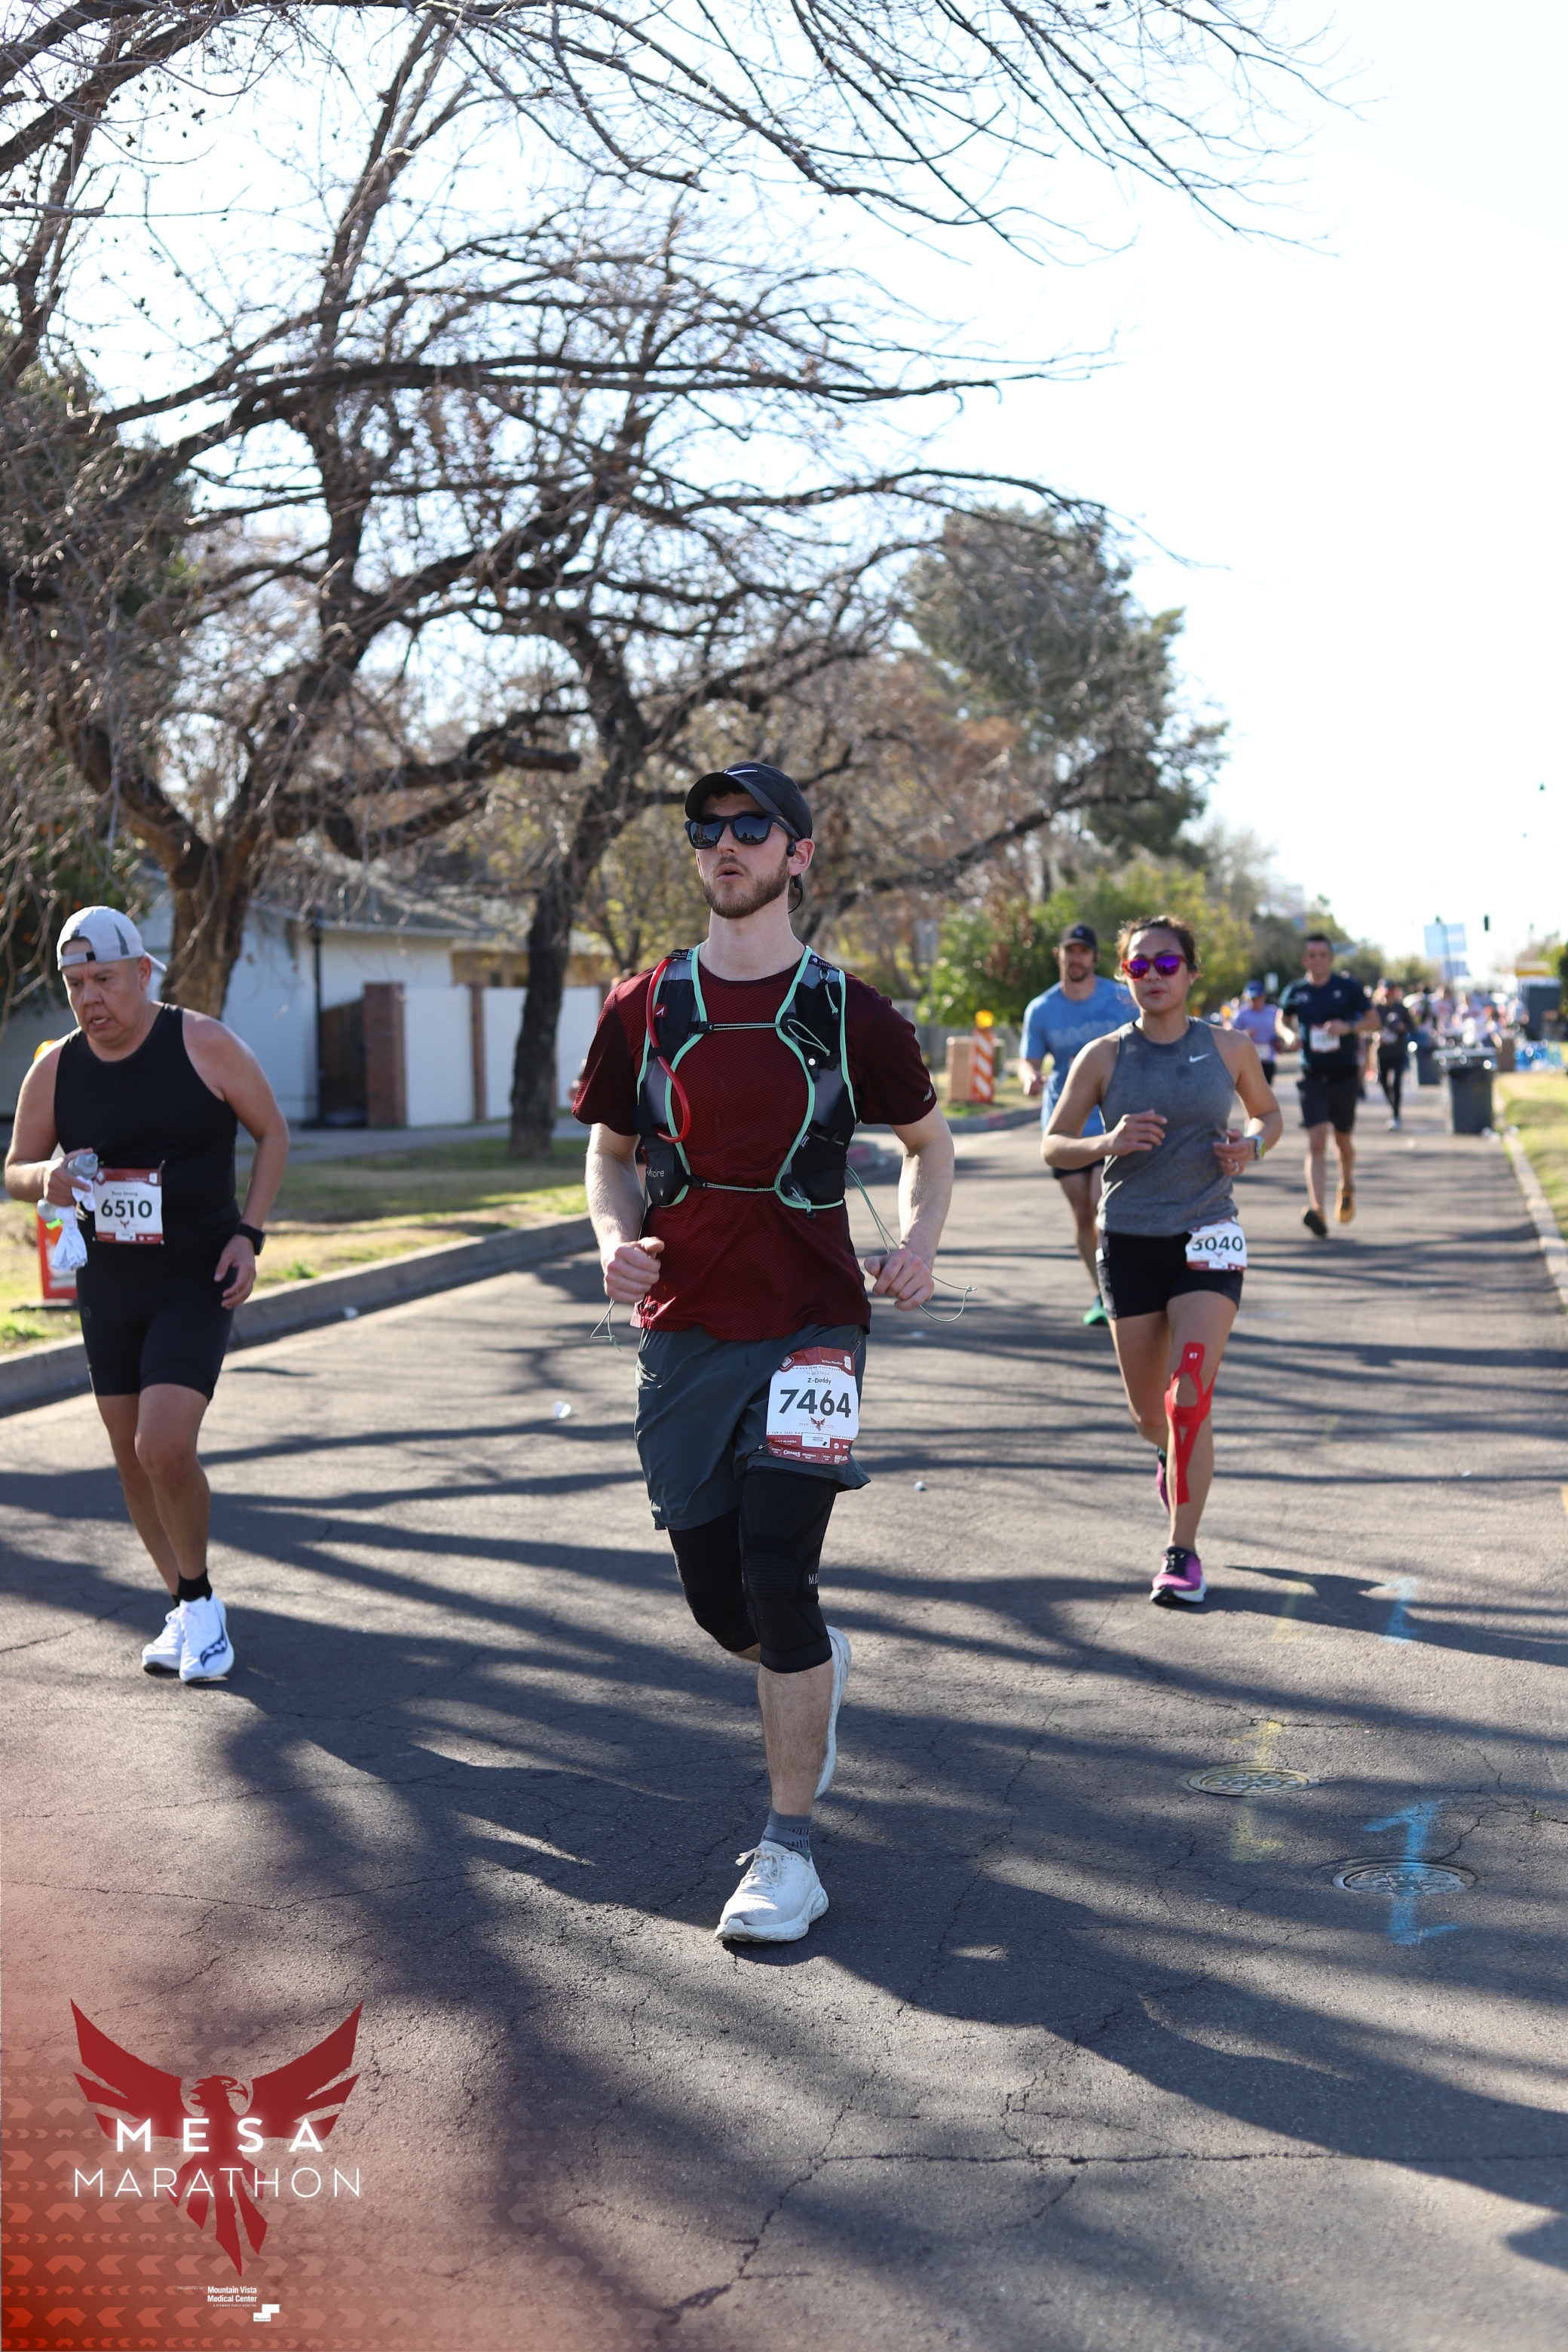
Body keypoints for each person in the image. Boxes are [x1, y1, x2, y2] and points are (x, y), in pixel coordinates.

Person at [574, 761, 954, 1945]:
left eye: (750, 826)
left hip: (814, 1325)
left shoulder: (851, 1012)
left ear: (799, 853)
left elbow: (931, 1146)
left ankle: (789, 1851)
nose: (724, 844)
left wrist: (919, 1246)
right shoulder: (643, 1004)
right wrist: (613, 1241)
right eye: (707, 829)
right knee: (718, 1598)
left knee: (780, 1571)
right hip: (686, 1327)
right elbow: (609, 1154)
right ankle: (810, 1669)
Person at [4, 908, 289, 1682]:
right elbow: (15, 1167)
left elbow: (273, 1132)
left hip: (196, 1277)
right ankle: (189, 1607)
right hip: (109, 1284)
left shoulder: (202, 1043)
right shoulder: (55, 1070)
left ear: (141, 972)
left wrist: (249, 1234)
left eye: (102, 978)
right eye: (74, 984)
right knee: (131, 1463)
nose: (89, 998)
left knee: (161, 1445)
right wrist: (45, 1177)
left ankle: (200, 1608)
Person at [1043, 914, 1282, 1606]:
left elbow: (1269, 1115)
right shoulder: (1104, 1056)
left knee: (1189, 1398)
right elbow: (1054, 1143)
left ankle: (1182, 1551)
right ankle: (1166, 1453)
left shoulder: (1230, 1047)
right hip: (1130, 1241)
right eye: (1139, 966)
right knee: (1152, 1415)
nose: (1153, 976)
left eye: (1167, 963)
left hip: (1209, 1234)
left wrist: (1252, 1146)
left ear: (1191, 972)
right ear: (1124, 976)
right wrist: (1107, 1142)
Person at [1020, 923, 1132, 1327]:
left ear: (1095, 958)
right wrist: (1029, 1077)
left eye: (1084, 951)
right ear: (1060, 956)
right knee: (1084, 1213)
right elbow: (1030, 1060)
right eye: (1071, 951)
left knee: (1105, 1208)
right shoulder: (1042, 1008)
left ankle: (1125, 1286)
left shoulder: (1121, 998)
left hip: (1112, 1120)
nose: (1077, 958)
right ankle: (1103, 1293)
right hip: (1065, 1123)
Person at [1277, 935, 1377, 1238]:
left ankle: (1346, 1185)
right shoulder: (1297, 991)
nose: (1317, 960)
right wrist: (1288, 1036)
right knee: (1317, 1141)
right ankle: (1317, 1209)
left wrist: (1349, 1027)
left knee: (1342, 1142)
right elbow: (1281, 1021)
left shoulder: (1348, 988)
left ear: (1331, 958)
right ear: (1304, 960)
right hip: (1312, 1077)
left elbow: (1374, 1020)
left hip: (1344, 1076)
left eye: (1323, 954)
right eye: (1312, 955)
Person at [1371, 981, 1415, 1128]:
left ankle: (1396, 1114)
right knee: (1383, 1081)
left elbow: (1412, 1027)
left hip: (1398, 1051)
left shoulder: (1401, 1009)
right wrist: (1375, 1035)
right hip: (1382, 1052)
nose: (1387, 998)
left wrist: (1403, 1027)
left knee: (1397, 1082)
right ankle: (1393, 1105)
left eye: (1389, 995)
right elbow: (1367, 1028)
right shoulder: (1376, 1009)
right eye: (1385, 995)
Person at [1227, 979, 1283, 1088]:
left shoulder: (1273, 1012)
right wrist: (1244, 1034)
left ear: (1264, 997)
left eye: (1259, 998)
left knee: (1266, 1089)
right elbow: (1231, 1036)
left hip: (1268, 1059)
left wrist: (1279, 1041)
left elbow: (1281, 1030)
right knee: (1251, 1090)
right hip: (1248, 1060)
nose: (1256, 1002)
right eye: (1253, 999)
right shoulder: (1241, 1014)